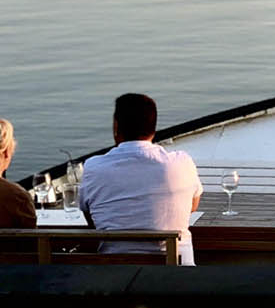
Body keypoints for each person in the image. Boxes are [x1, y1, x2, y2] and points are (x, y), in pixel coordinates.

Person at [78, 93, 202, 265]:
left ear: (116, 127)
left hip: (116, 276)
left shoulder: (93, 167)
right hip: (178, 275)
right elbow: (193, 206)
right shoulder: (182, 162)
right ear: (153, 128)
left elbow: (91, 217)